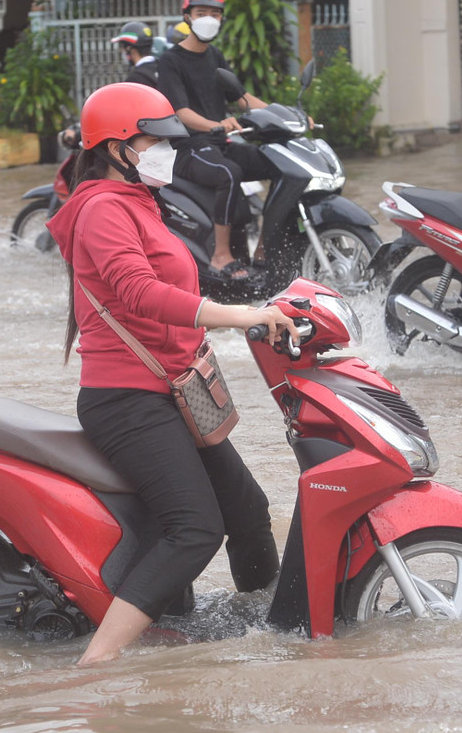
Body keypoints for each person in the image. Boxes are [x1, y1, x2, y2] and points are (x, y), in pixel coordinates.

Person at [44, 82, 298, 666]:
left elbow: (178, 283)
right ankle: (95, 664)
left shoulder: (140, 200)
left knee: (249, 512)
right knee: (196, 530)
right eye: (153, 140)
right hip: (128, 400)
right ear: (114, 148)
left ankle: (272, 631)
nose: (168, 151)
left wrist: (272, 298)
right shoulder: (104, 207)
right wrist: (242, 317)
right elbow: (140, 293)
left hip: (175, 388)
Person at [157, 0, 278, 280]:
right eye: (201, 13)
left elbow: (242, 97)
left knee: (276, 164)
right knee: (228, 173)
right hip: (188, 147)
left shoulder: (215, 56)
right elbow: (180, 112)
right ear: (187, 16)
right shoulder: (171, 61)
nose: (209, 19)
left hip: (218, 141)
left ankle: (263, 248)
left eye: (215, 13)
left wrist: (285, 115)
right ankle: (220, 256)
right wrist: (215, 124)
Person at [110, 21, 159, 88]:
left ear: (130, 49)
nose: (121, 51)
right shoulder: (163, 68)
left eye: (122, 47)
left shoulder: (135, 79)